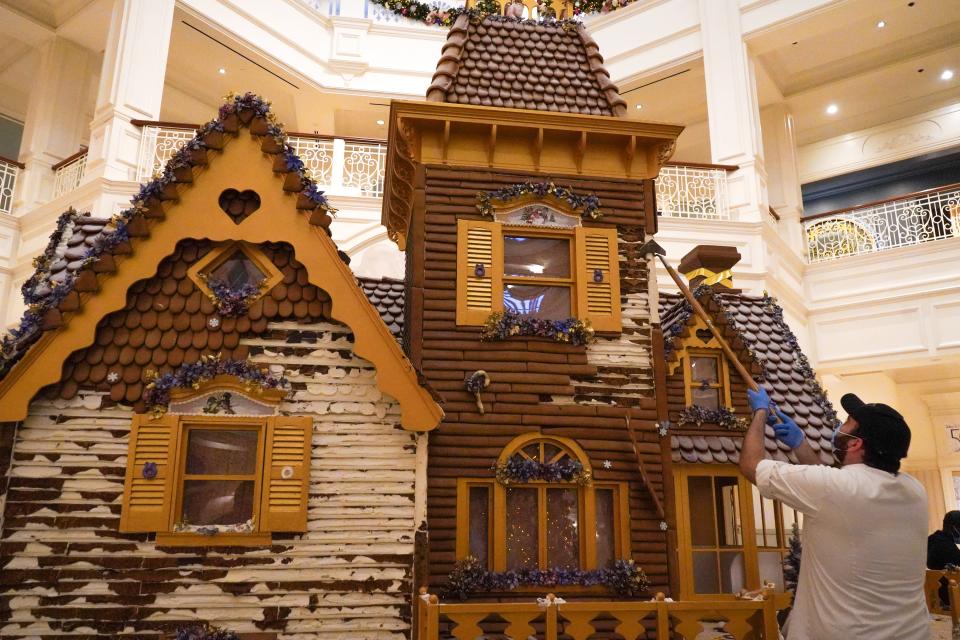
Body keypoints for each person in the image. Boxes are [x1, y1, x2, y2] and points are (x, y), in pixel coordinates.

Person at [739, 386, 930, 640]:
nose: (840, 425)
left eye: (848, 422)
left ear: (855, 443)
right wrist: (801, 445)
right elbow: (835, 495)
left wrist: (760, 413)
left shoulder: (835, 490)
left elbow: (751, 465)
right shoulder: (914, 491)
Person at [928, 510, 960, 607]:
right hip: (949, 596)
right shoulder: (946, 546)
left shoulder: (932, 539)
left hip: (935, 595)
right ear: (954, 527)